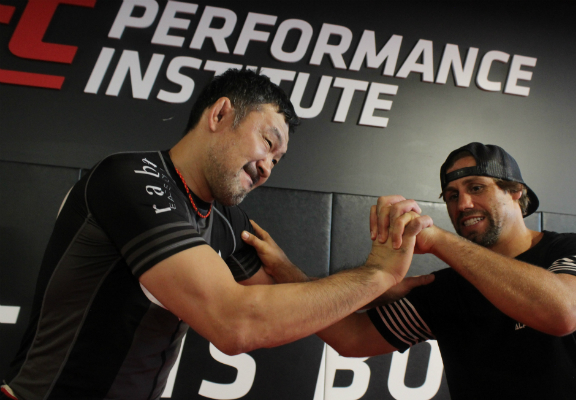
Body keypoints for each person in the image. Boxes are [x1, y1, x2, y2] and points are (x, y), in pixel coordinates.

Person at [1, 69, 427, 400]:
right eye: (268, 143)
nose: (267, 168)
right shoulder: (130, 179)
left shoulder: (227, 221)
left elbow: (317, 319)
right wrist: (375, 275)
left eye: (277, 161)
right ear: (220, 114)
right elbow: (235, 323)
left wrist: (385, 284)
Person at [244, 142, 576, 399]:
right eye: (452, 195)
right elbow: (351, 338)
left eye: (476, 188)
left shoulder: (573, 251)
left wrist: (436, 239)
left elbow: (562, 312)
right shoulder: (446, 289)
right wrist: (288, 271)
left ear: (516, 192)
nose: (463, 204)